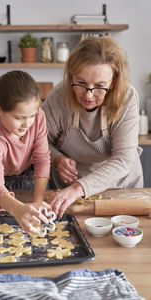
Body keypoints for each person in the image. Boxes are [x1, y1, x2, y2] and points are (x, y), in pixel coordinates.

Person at [42, 36, 143, 219]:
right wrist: (57, 159)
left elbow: (123, 159)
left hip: (120, 188)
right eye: (80, 83)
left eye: (99, 86)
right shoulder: (57, 99)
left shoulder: (126, 98)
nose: (88, 95)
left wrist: (78, 188)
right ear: (71, 74)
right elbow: (39, 142)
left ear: (113, 81)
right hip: (68, 194)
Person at [0, 70, 51, 234]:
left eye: (32, 115)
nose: (27, 124)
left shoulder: (38, 118)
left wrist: (37, 202)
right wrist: (17, 209)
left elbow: (42, 159)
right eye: (19, 118)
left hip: (27, 179)